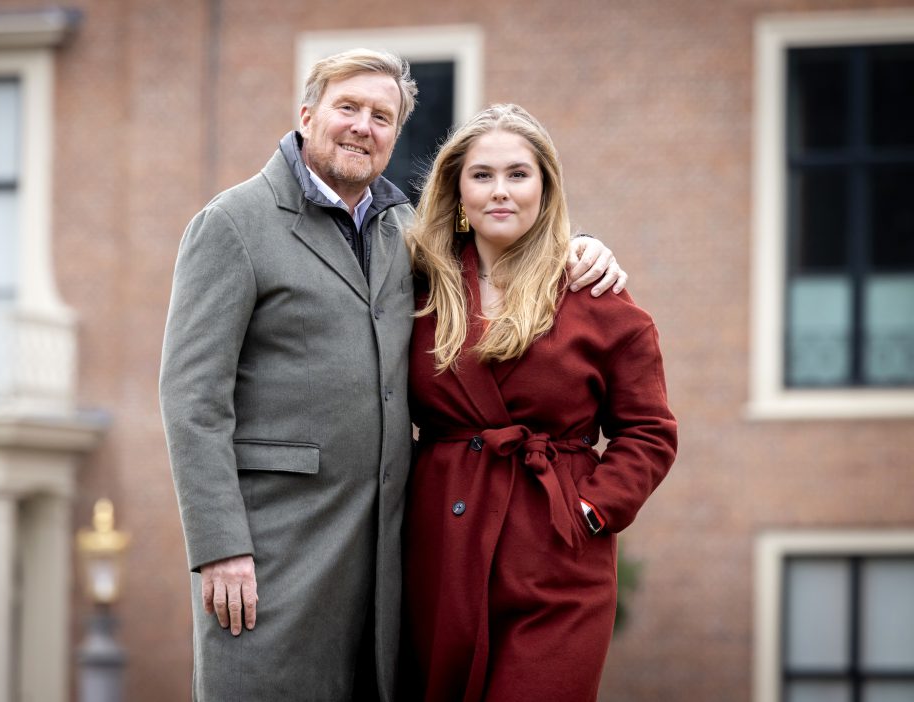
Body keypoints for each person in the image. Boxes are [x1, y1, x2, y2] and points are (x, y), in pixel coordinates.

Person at [159, 50, 626, 702]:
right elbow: (191, 399)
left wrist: (582, 247)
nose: (363, 126)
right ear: (306, 114)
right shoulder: (233, 225)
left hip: (387, 558)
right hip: (272, 550)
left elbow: (504, 243)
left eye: (382, 116)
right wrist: (220, 545)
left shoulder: (407, 235)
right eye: (347, 107)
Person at [403, 103, 678, 702]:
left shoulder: (597, 297)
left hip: (558, 558)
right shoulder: (415, 287)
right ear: (457, 191)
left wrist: (590, 511)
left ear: (545, 188)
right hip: (439, 553)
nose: (500, 191)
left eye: (518, 174)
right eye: (482, 175)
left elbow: (650, 432)